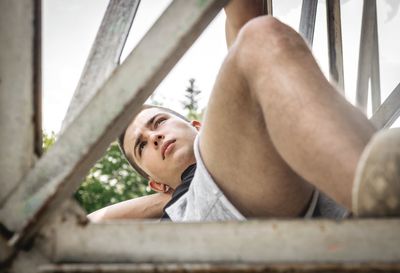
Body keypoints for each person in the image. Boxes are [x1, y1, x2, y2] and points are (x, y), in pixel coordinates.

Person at [88, 1, 397, 222]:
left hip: (321, 198)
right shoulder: (177, 210)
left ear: (197, 125)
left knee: (260, 37)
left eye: (159, 121)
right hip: (205, 231)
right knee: (257, 37)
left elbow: (246, 21)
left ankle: (383, 190)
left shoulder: (238, 134)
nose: (153, 136)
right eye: (141, 146)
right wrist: (161, 200)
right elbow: (91, 222)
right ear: (157, 184)